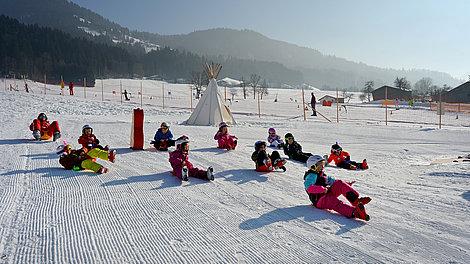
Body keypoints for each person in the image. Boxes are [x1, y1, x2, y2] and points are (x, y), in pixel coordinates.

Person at [304, 155, 371, 221]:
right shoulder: (311, 176)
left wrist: (346, 184)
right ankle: (355, 212)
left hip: (326, 193)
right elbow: (309, 188)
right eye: (320, 165)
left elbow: (333, 181)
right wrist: (322, 189)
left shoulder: (321, 174)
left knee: (339, 183)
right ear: (313, 166)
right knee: (333, 201)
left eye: (323, 164)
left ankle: (356, 201)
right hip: (319, 200)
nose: (322, 167)